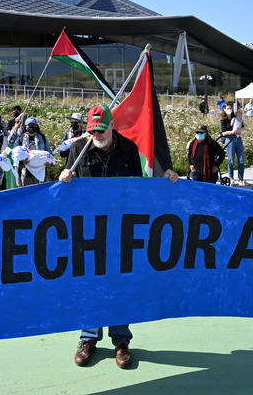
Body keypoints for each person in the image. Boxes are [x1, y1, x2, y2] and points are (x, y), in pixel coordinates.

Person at [59, 105, 178, 370]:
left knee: (119, 284)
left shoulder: (129, 149)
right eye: (92, 129)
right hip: (88, 230)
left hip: (120, 230)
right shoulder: (78, 149)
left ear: (113, 126)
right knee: (90, 283)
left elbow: (139, 188)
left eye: (101, 129)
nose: (96, 134)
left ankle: (121, 341)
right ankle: (88, 339)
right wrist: (64, 177)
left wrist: (164, 179)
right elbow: (66, 186)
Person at [10, 117, 52, 187]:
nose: (31, 127)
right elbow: (14, 155)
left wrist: (50, 163)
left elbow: (49, 153)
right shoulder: (20, 138)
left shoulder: (43, 138)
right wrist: (21, 162)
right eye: (29, 125)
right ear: (25, 127)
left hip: (40, 172)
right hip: (25, 172)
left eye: (33, 125)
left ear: (37, 126)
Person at [221, 110, 246, 186]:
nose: (229, 110)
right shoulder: (223, 120)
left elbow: (243, 127)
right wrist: (233, 132)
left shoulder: (236, 118)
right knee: (231, 160)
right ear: (224, 109)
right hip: (230, 139)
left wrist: (236, 131)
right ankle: (231, 178)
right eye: (227, 108)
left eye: (230, 108)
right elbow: (223, 132)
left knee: (241, 160)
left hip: (238, 139)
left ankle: (241, 179)